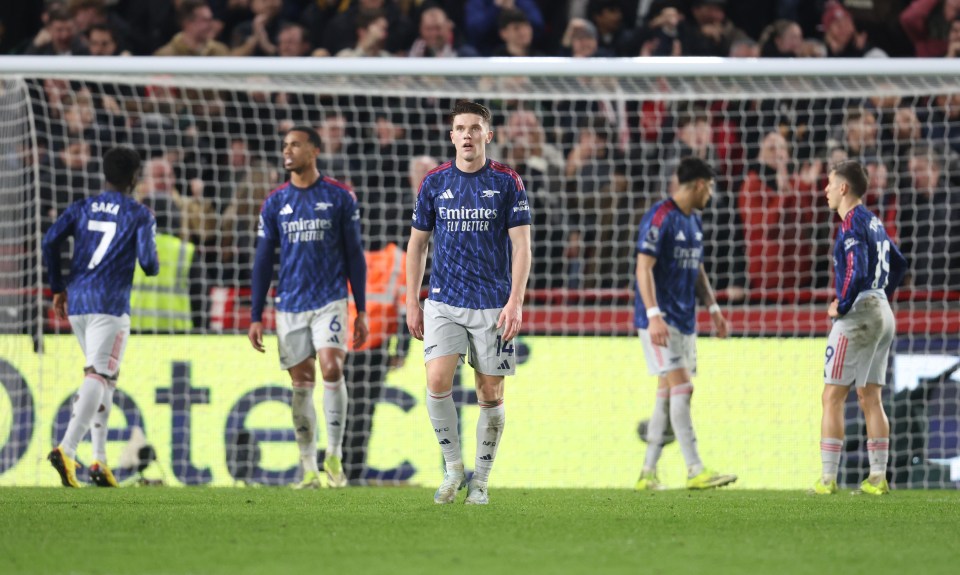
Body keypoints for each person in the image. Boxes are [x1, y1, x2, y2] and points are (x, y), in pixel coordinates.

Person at [406, 101, 532, 505]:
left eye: (475, 128)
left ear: (487, 135)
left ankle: (481, 482)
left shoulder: (508, 181)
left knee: (490, 394)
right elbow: (417, 244)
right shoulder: (434, 182)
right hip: (444, 300)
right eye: (460, 128)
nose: (467, 135)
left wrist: (515, 301)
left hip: (493, 303)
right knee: (436, 380)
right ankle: (453, 469)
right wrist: (412, 301)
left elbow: (522, 245)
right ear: (451, 136)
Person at [248, 126, 368, 489]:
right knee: (301, 383)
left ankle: (334, 455)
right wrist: (255, 315)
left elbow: (355, 255)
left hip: (330, 300)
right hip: (290, 305)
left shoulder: (339, 197)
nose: (288, 151)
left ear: (314, 151)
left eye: (295, 145)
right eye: (285, 145)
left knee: (332, 367)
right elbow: (263, 260)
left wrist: (361, 309)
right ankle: (307, 467)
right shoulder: (275, 203)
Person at [42, 146, 159, 488]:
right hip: (110, 305)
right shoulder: (139, 214)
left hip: (78, 303)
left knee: (104, 377)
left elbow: (49, 241)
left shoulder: (82, 207)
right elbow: (149, 265)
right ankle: (67, 449)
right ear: (134, 177)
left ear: (105, 174)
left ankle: (100, 460)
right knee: (99, 374)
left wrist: (57, 287)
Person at [633, 156, 737, 491]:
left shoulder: (693, 221)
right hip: (659, 322)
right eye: (711, 187)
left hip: (684, 320)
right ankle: (695, 469)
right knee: (683, 387)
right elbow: (643, 267)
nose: (712, 194)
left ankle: (648, 472)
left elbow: (697, 267)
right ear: (699, 185)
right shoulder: (660, 216)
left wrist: (713, 307)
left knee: (666, 394)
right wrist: (653, 315)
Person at [814, 161, 908, 495]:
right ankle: (878, 478)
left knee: (832, 396)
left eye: (829, 183)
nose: (825, 190)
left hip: (859, 314)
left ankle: (827, 480)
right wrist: (880, 296)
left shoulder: (851, 223)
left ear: (844, 188)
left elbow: (856, 268)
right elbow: (899, 263)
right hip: (883, 311)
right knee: (871, 396)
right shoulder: (873, 221)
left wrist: (842, 304)